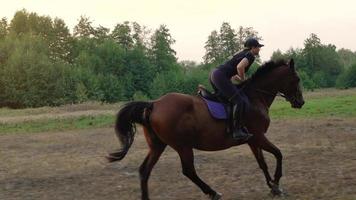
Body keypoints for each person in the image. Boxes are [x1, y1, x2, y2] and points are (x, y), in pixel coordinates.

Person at [209, 38, 263, 141]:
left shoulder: (242, 53)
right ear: (253, 48)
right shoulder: (250, 55)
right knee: (239, 101)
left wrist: (241, 79)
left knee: (229, 98)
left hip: (214, 74)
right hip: (220, 76)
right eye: (258, 47)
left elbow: (234, 74)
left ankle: (226, 124)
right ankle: (236, 131)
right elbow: (239, 67)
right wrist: (243, 79)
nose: (259, 49)